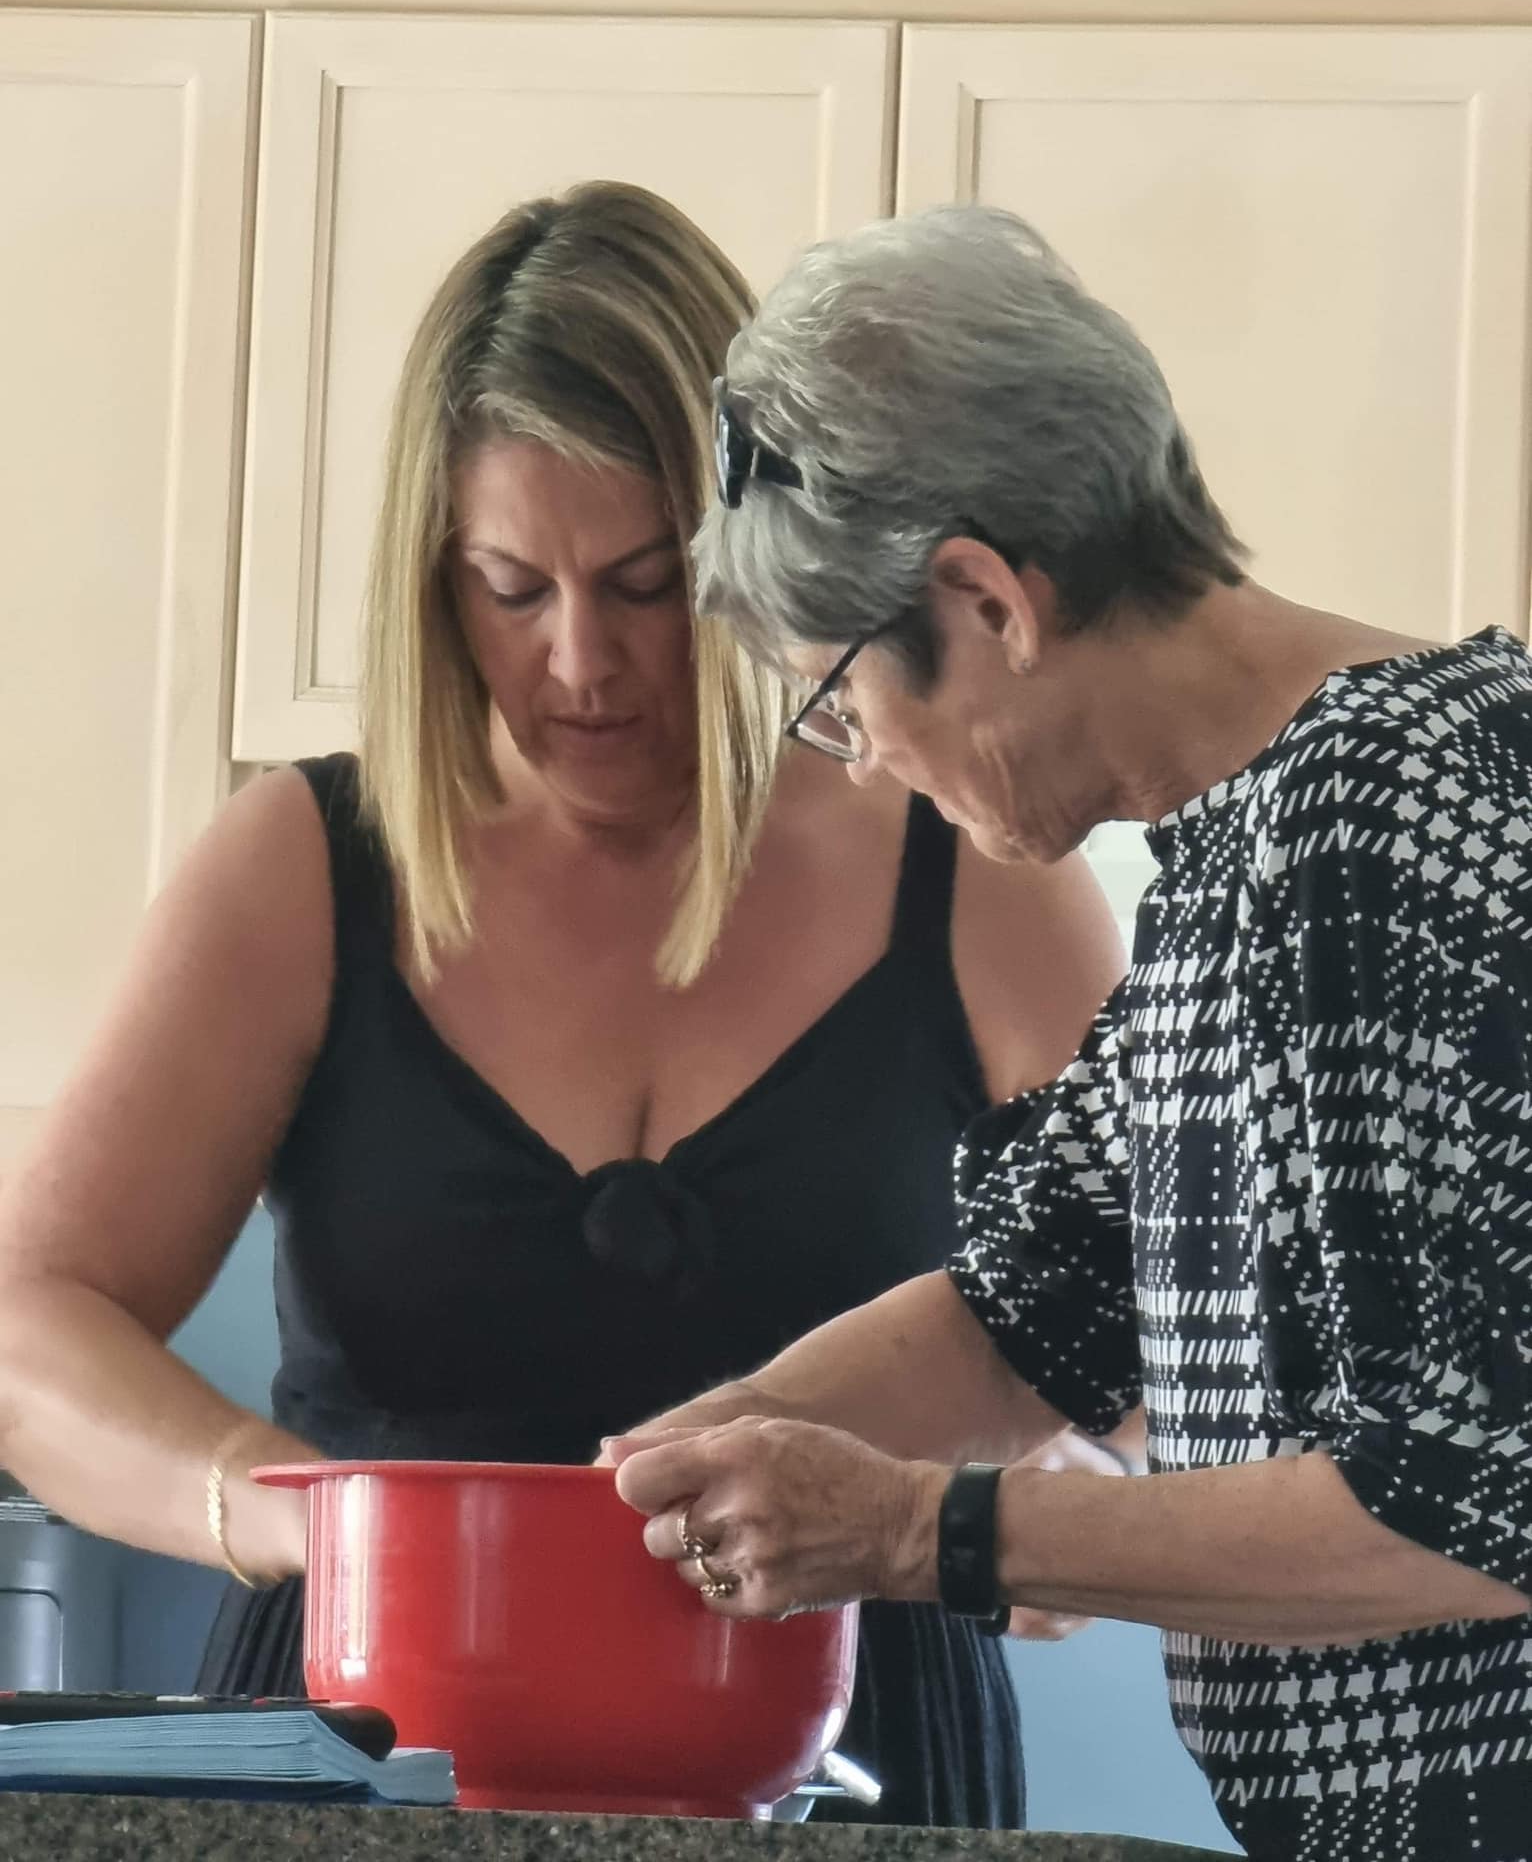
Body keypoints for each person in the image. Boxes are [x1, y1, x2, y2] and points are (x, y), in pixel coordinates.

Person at [0, 183, 1127, 1829]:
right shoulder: (305, 867)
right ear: (430, 578)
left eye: (647, 583)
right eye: (512, 588)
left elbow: (1178, 1330)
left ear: (755, 555)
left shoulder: (974, 865)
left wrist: (1078, 1484)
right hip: (369, 1753)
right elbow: (32, 1320)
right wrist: (287, 1511)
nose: (583, 662)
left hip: (857, 1762)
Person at [608, 203, 1532, 1862]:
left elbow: (1469, 1496)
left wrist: (921, 1532)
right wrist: (691, 1466)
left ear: (985, 601)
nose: (867, 763)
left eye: (842, 702)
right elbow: (1036, 1308)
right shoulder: (1248, 849)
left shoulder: (1390, 818)